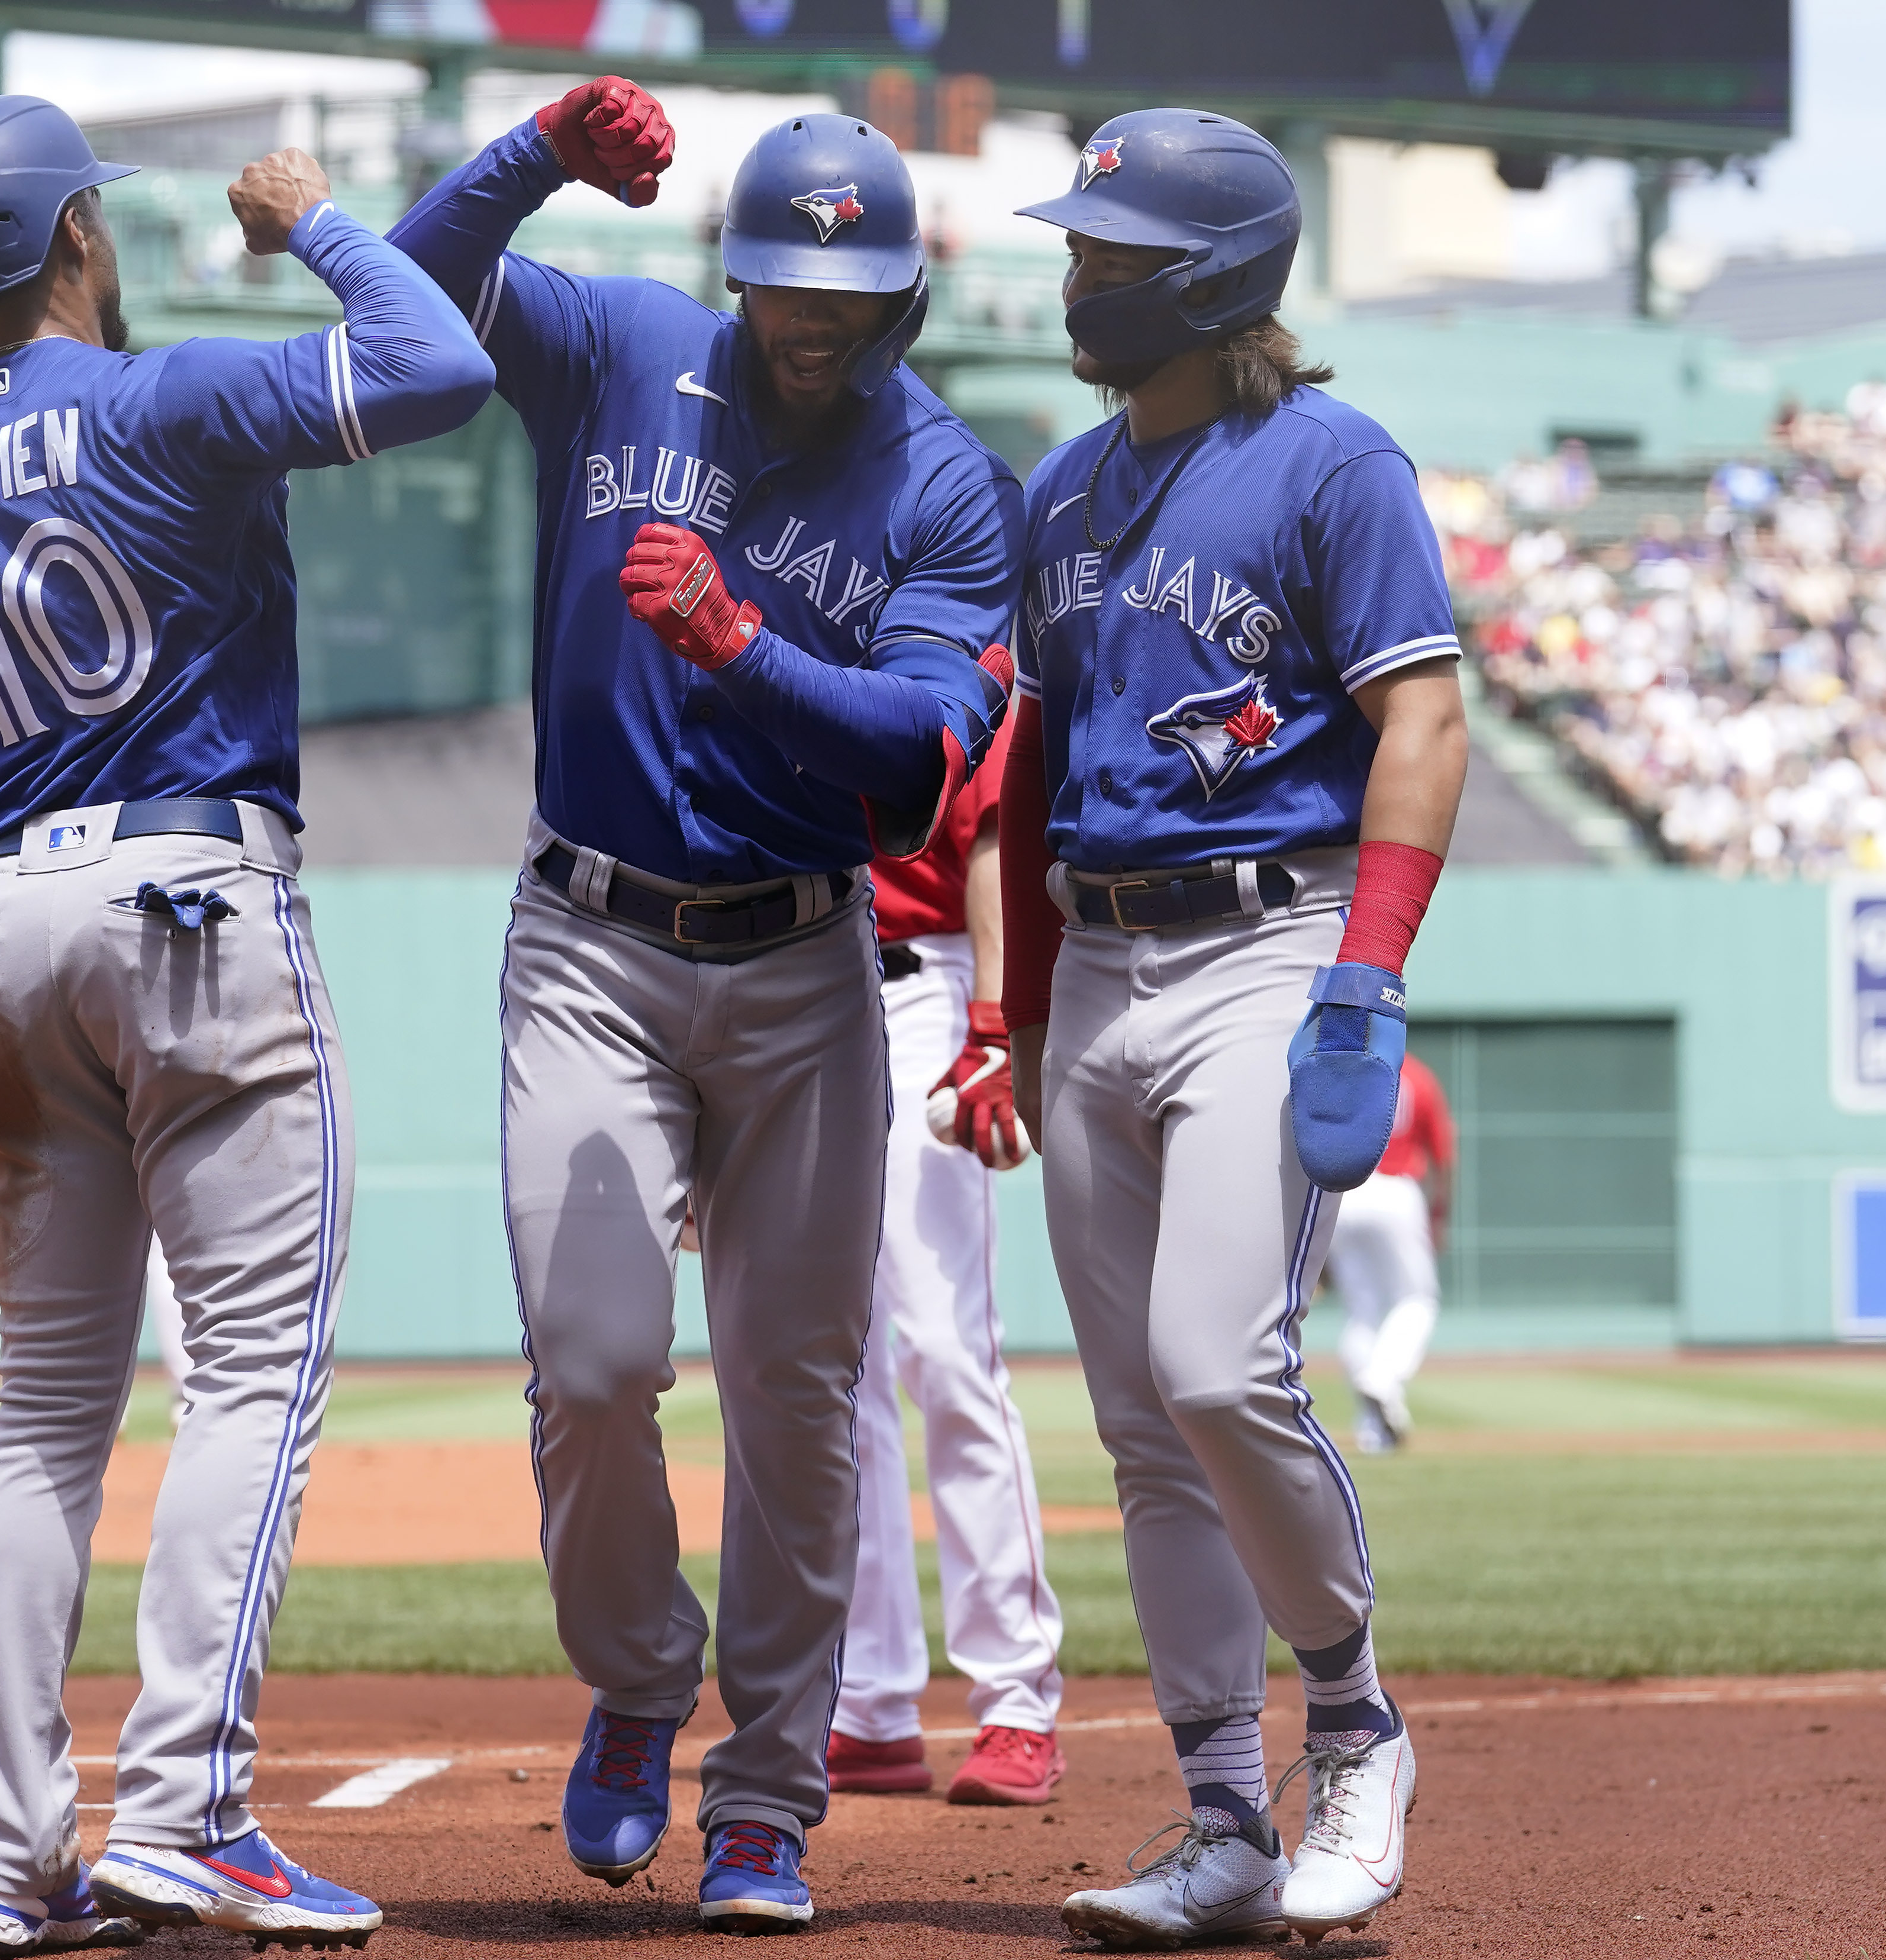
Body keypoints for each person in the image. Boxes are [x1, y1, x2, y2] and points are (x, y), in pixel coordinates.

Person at [0, 96, 492, 1959]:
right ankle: (187, 1810)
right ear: (77, 244)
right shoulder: (157, 398)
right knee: (253, 1373)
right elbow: (438, 363)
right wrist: (323, 225)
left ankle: (3, 1853)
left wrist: (31, 725)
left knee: (40, 1418)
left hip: (11, 910)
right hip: (196, 895)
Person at [388, 81, 1022, 1930]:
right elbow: (417, 298)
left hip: (807, 961)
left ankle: (763, 1798)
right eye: (779, 294)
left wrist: (745, 646)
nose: (806, 330)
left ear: (905, 301)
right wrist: (531, 163)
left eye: (846, 304)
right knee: (590, 1370)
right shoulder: (624, 347)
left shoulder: (946, 481)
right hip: (587, 939)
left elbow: (920, 761)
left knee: (803, 1394)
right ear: (731, 279)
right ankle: (642, 1673)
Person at [998, 111, 1467, 1946]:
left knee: (1218, 1368)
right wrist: (1014, 1021)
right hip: (1092, 969)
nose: (1074, 277)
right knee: (1137, 1432)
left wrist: (1367, 977)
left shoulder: (1332, 464)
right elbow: (1033, 776)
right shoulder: (1061, 491)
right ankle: (1218, 1821)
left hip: (1266, 949)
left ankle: (1354, 1728)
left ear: (1203, 283)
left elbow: (1421, 725)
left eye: (1107, 256)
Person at [831, 715, 1069, 1806]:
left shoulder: (941, 588)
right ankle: (871, 1706)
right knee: (838, 1373)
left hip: (922, 986)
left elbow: (989, 833)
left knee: (943, 1347)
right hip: (789, 978)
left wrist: (991, 1022)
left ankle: (1016, 1698)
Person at [1330, 1051, 1454, 1453]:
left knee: (1362, 1311)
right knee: (1418, 1300)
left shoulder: (1344, 1071)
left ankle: (1375, 1432)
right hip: (1396, 1189)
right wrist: (1439, 1215)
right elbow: (1444, 1155)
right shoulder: (1417, 1074)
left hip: (1343, 1192)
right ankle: (1382, 1381)